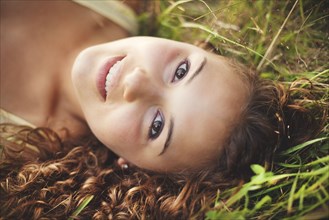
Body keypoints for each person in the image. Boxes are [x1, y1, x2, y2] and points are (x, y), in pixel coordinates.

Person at [0, 1, 326, 219]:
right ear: (196, 46)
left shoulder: (13, 144)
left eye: (157, 126)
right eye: (181, 71)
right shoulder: (120, 4)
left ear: (130, 166)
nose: (137, 82)